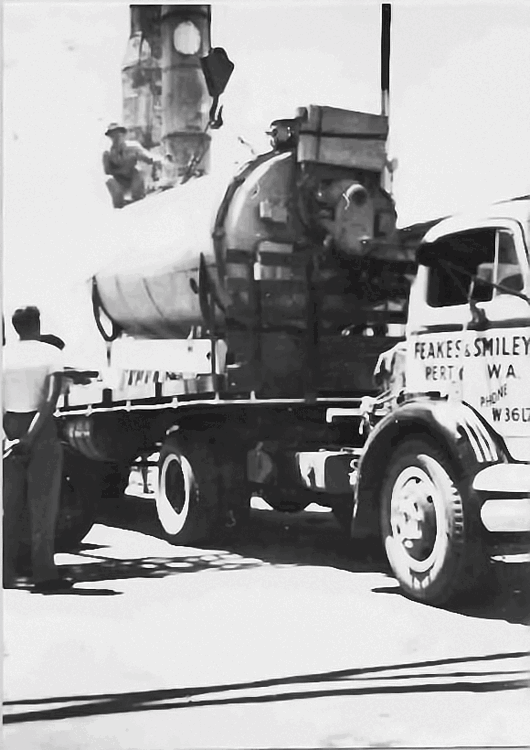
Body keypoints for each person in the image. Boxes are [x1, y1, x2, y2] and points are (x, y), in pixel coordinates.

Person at [2, 306, 72, 592]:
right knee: (43, 506)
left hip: (9, 427)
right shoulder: (51, 354)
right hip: (40, 431)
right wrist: (31, 436)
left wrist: (9, 438)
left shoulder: (4, 354)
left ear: (16, 326)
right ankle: (44, 574)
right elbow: (51, 399)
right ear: (38, 324)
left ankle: (5, 573)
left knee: (8, 507)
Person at [103, 122, 162, 209]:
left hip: (133, 177)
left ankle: (138, 197)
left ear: (123, 135)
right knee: (109, 180)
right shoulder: (107, 153)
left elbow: (148, 158)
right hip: (119, 181)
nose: (116, 138)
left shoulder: (133, 147)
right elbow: (107, 171)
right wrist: (121, 170)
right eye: (113, 135)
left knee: (138, 171)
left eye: (118, 134)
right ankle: (119, 204)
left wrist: (158, 162)